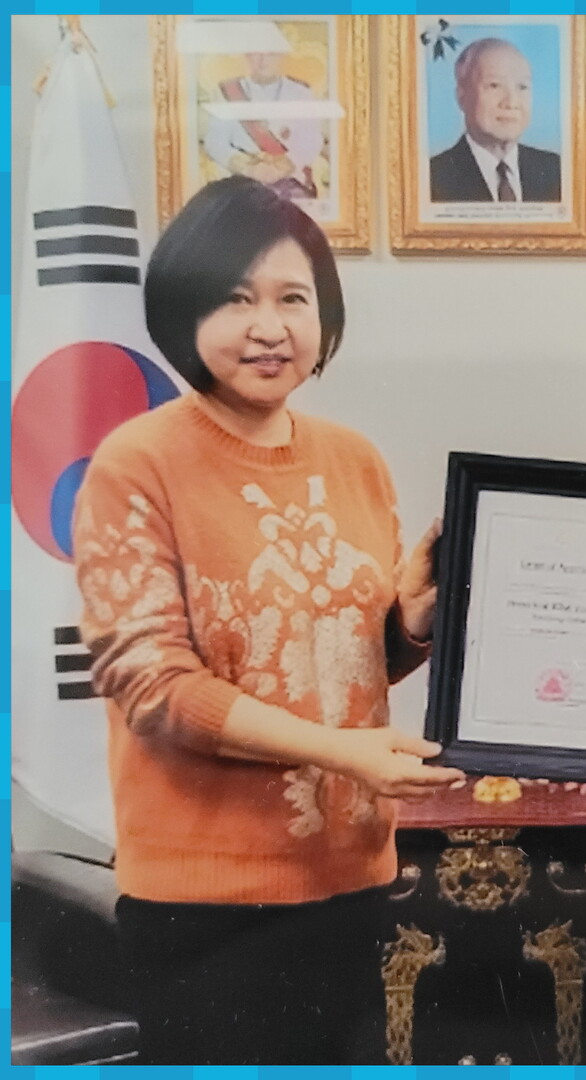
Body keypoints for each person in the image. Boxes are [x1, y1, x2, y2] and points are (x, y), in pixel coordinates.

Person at [72, 175, 465, 1065]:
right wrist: (342, 752)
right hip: (205, 906)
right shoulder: (135, 464)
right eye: (236, 298)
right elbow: (154, 688)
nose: (269, 326)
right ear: (184, 310)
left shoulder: (355, 460)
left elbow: (340, 664)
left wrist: (409, 623)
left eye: (294, 298)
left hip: (351, 877)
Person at [429, 37, 561, 203]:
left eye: (522, 87)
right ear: (461, 97)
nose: (511, 103)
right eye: (494, 85)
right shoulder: (432, 178)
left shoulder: (556, 170)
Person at [202, 51, 324, 200]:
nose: (263, 60)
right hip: (241, 183)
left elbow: (312, 140)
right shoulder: (228, 91)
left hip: (289, 182)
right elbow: (215, 141)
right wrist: (248, 169)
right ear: (247, 56)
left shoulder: (301, 92)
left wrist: (284, 167)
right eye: (256, 53)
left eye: (270, 54)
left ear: (281, 56)